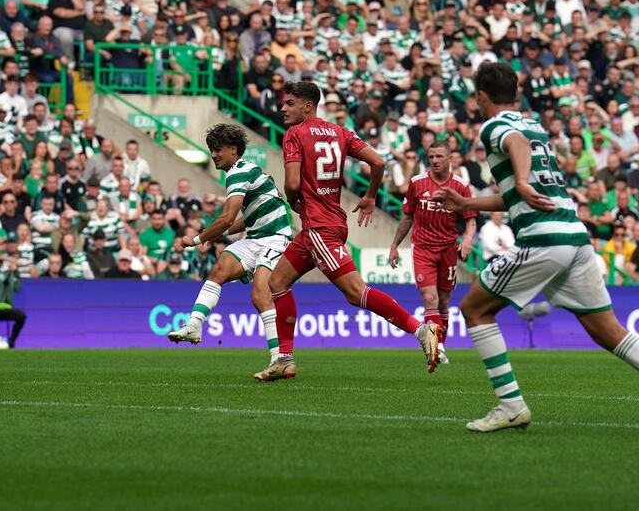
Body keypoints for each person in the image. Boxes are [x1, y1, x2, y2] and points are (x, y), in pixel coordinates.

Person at [437, 62, 639, 432]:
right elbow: (520, 195)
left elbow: (517, 155)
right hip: (574, 237)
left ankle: (511, 405)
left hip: (544, 239)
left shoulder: (497, 127)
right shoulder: (534, 126)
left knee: (475, 308)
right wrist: (468, 205)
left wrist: (524, 179)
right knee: (608, 331)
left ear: (481, 96)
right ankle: (510, 407)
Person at [264, 81, 440, 381]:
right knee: (277, 282)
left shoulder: (294, 134)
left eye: (289, 103)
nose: (283, 108)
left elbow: (292, 184)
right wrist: (370, 195)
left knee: (355, 292)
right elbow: (379, 162)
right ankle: (284, 358)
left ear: (308, 106)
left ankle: (421, 330)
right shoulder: (340, 132)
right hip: (326, 224)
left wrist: (295, 202)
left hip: (319, 226)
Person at [167, 124, 294, 380]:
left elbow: (226, 218)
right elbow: (244, 221)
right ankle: (193, 326)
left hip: (275, 238)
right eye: (211, 150)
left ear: (233, 149)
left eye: (218, 149)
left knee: (260, 296)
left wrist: (196, 238)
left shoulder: (238, 172)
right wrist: (213, 235)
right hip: (256, 236)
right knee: (220, 269)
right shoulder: (244, 170)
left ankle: (280, 360)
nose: (213, 155)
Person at [389, 142, 477, 365]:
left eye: (439, 156)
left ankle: (441, 344)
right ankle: (436, 347)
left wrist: (467, 238)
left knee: (445, 302)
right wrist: (394, 245)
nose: (435, 160)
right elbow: (407, 216)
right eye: (431, 156)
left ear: (450, 158)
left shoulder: (461, 186)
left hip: (447, 248)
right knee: (430, 298)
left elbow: (471, 220)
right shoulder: (417, 183)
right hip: (423, 248)